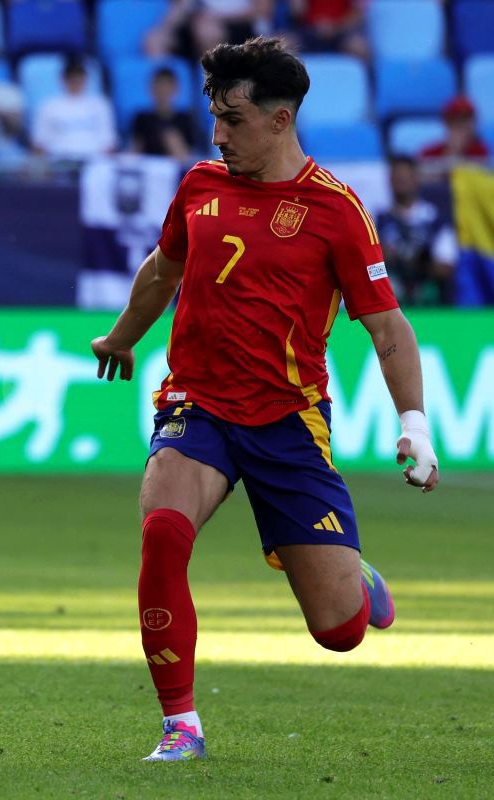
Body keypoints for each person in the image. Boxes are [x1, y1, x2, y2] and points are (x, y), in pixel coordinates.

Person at [89, 37, 440, 762]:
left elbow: (388, 327)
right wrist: (122, 338)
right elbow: (163, 269)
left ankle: (353, 575)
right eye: (214, 117)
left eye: (234, 119)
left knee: (339, 629)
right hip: (198, 405)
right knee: (161, 533)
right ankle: (180, 725)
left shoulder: (337, 210)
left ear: (280, 121)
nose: (218, 133)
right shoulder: (199, 185)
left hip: (288, 422)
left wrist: (416, 425)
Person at [376, 156, 457, 306]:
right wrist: (384, 256)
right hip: (391, 288)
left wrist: (419, 261)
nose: (401, 182)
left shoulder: (436, 219)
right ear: (389, 181)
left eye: (405, 177)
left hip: (428, 290)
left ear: (416, 178)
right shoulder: (378, 219)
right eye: (397, 178)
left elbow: (446, 267)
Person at [30, 53, 117, 165]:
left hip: (94, 162)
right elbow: (39, 143)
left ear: (85, 78)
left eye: (79, 78)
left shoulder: (100, 105)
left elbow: (109, 143)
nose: (76, 82)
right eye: (71, 79)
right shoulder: (48, 106)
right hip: (59, 162)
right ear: (63, 79)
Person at [146, 0, 273, 61]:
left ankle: (212, 102)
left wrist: (216, 16)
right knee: (155, 41)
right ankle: (168, 111)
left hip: (240, 28)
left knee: (208, 33)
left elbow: (261, 10)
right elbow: (183, 6)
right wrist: (164, 29)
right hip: (196, 21)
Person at [131, 66, 199, 159]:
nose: (162, 90)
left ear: (175, 89)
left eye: (167, 86)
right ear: (151, 88)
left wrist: (175, 145)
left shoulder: (185, 119)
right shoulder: (142, 118)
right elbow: (135, 152)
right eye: (159, 85)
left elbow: (189, 157)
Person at [288, 0, 369, 61]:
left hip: (341, 32)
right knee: (283, 46)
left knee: (359, 49)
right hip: (309, 30)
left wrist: (334, 28)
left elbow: (357, 14)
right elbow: (298, 12)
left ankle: (365, 82)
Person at [418, 96, 490, 163]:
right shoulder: (429, 153)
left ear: (473, 122)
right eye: (454, 120)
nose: (460, 125)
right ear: (446, 123)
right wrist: (452, 150)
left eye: (465, 120)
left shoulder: (481, 152)